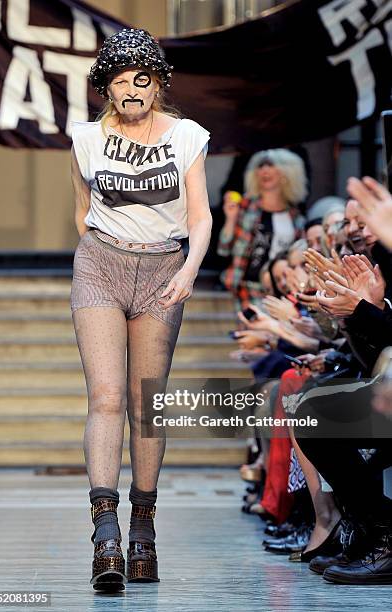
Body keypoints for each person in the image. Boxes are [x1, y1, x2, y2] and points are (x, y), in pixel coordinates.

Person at [70, 28, 212, 592]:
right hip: (102, 264)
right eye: (122, 80)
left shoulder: (186, 137)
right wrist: (100, 253)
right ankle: (106, 535)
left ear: (158, 84)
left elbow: (200, 215)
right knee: (105, 398)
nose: (133, 89)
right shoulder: (84, 139)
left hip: (164, 270)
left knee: (146, 405)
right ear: (107, 87)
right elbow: (81, 212)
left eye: (142, 78)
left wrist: (188, 268)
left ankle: (143, 531)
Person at [217, 149, 307, 310]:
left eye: (270, 165)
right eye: (260, 166)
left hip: (282, 287)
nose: (264, 170)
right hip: (248, 287)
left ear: (287, 173)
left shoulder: (295, 217)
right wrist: (230, 219)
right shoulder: (244, 207)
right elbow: (223, 249)